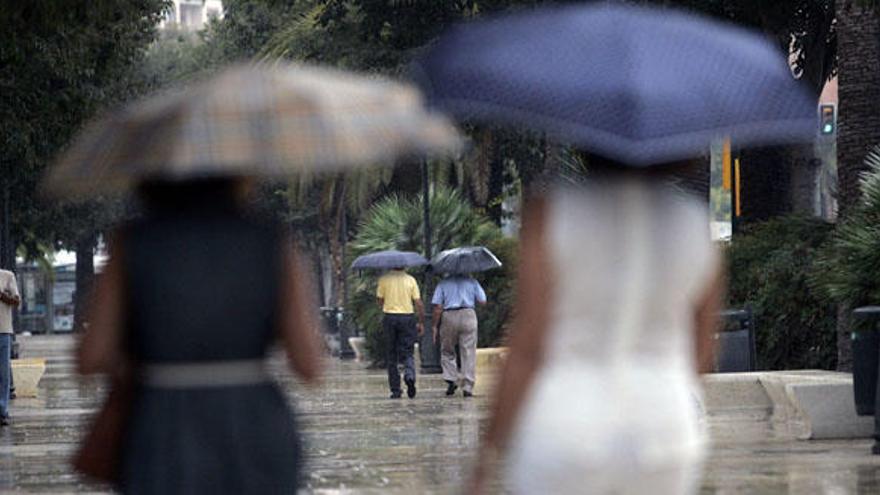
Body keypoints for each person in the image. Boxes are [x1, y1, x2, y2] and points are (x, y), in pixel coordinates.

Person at [468, 157, 721, 494]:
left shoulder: (551, 213)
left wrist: (487, 453)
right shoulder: (694, 224)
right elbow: (701, 352)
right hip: (665, 430)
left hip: (566, 425)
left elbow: (528, 346)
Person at [77, 178, 323, 493]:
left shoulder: (132, 242)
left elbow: (91, 356)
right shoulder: (271, 240)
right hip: (255, 424)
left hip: (160, 425)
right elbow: (309, 365)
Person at [431, 273, 487, 397]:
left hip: (449, 315)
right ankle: (468, 386)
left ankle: (451, 379)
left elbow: (438, 306)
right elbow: (483, 301)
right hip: (469, 314)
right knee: (468, 352)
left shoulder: (443, 283)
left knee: (447, 349)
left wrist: (435, 325)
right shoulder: (472, 281)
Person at [377, 267, 425, 399]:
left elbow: (380, 301)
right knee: (408, 351)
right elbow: (418, 303)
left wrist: (387, 306)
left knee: (391, 355)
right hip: (407, 318)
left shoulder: (384, 280)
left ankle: (396, 390)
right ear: (405, 266)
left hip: (390, 317)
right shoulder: (411, 280)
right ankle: (409, 375)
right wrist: (421, 322)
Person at [0, 268, 21, 427]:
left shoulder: (7, 276)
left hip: (3, 330)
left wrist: (2, 295)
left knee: (4, 373)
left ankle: (3, 410)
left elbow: (16, 301)